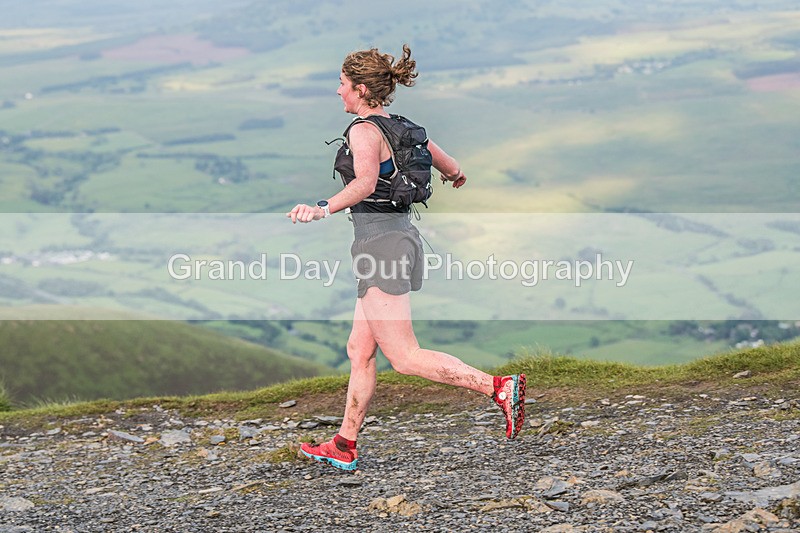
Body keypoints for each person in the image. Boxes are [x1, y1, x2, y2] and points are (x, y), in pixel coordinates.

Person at [286, 44, 525, 471]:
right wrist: (454, 176)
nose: (337, 91)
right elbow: (450, 165)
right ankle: (344, 444)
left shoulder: (363, 131)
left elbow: (362, 183)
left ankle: (498, 388)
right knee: (360, 348)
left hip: (380, 247)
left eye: (342, 84)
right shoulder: (405, 127)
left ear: (360, 89)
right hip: (399, 240)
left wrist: (322, 207)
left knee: (404, 356)